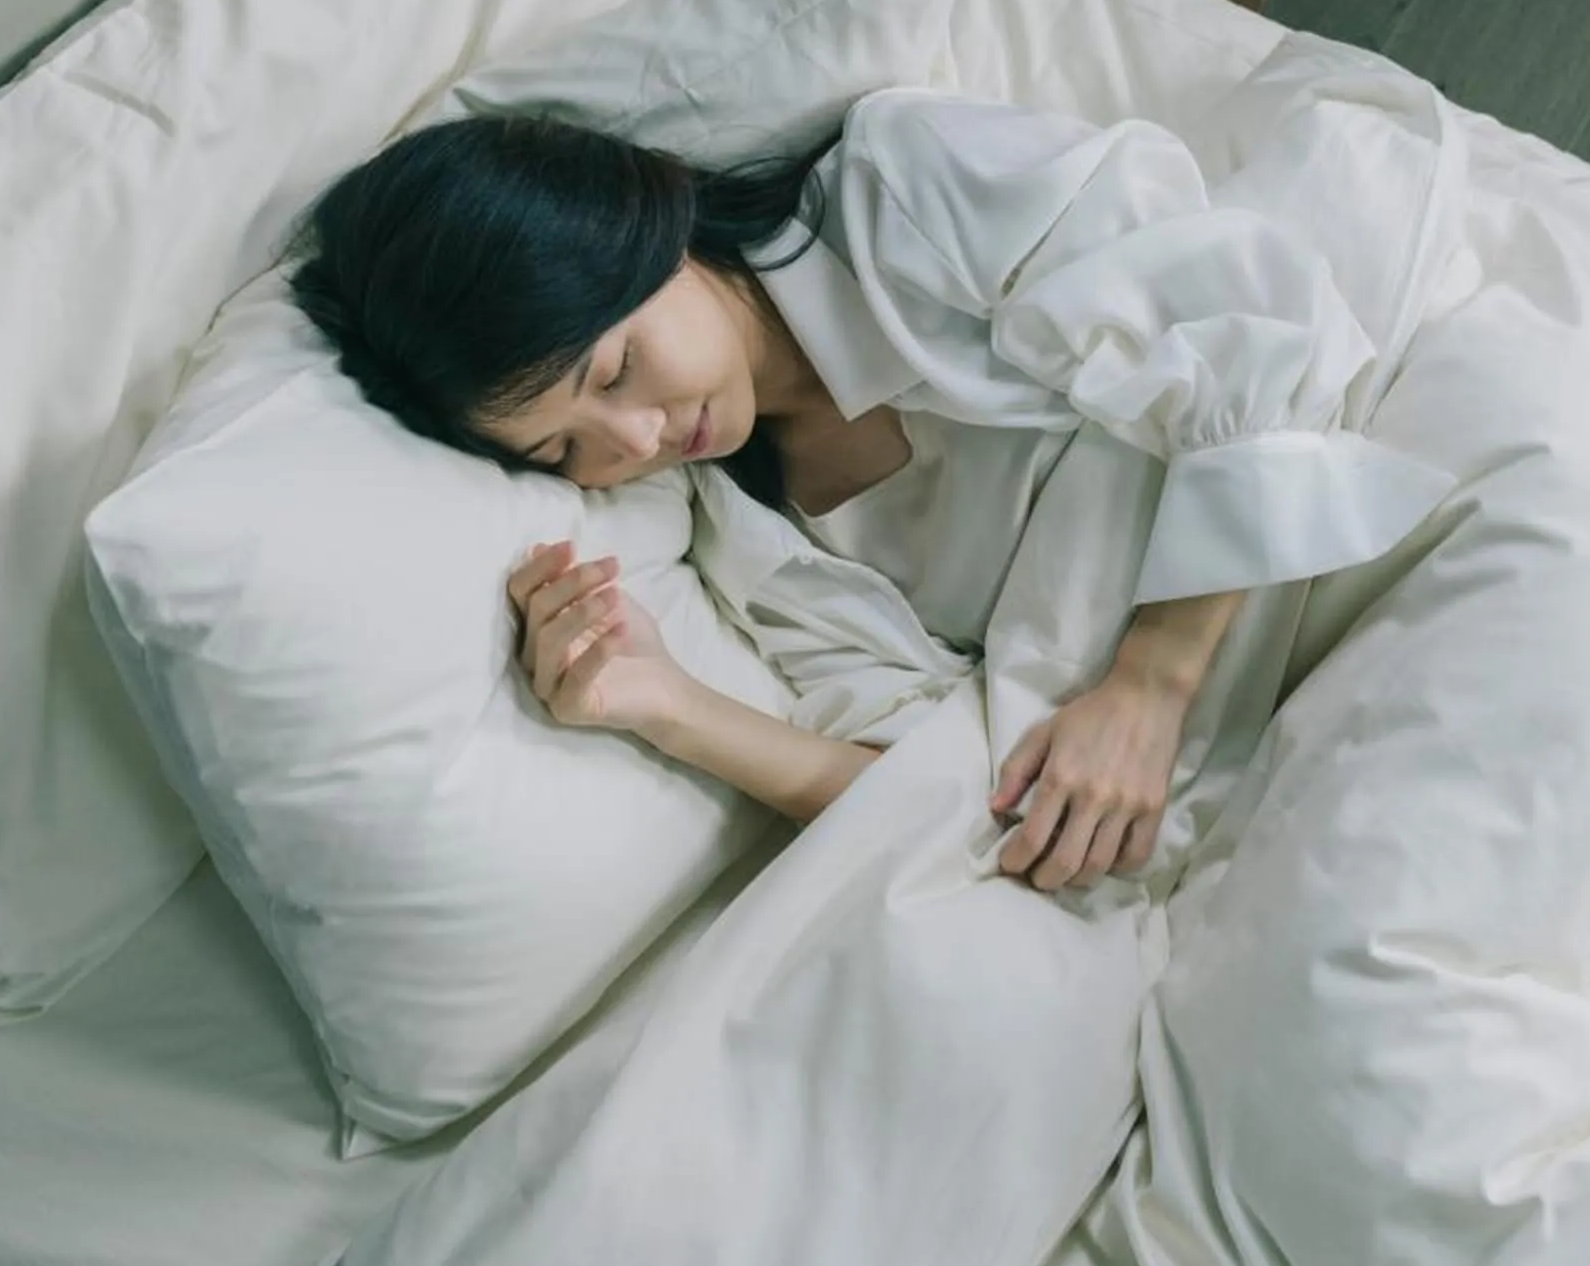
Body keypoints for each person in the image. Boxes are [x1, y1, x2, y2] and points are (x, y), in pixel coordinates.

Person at [289, 88, 1446, 892]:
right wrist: (665, 703)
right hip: (1233, 797)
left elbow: (1262, 345)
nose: (637, 438)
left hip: (1368, 550)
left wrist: (1149, 681)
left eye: (616, 367)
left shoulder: (906, 190)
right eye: (562, 454)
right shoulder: (753, 542)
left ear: (648, 230)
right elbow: (931, 808)